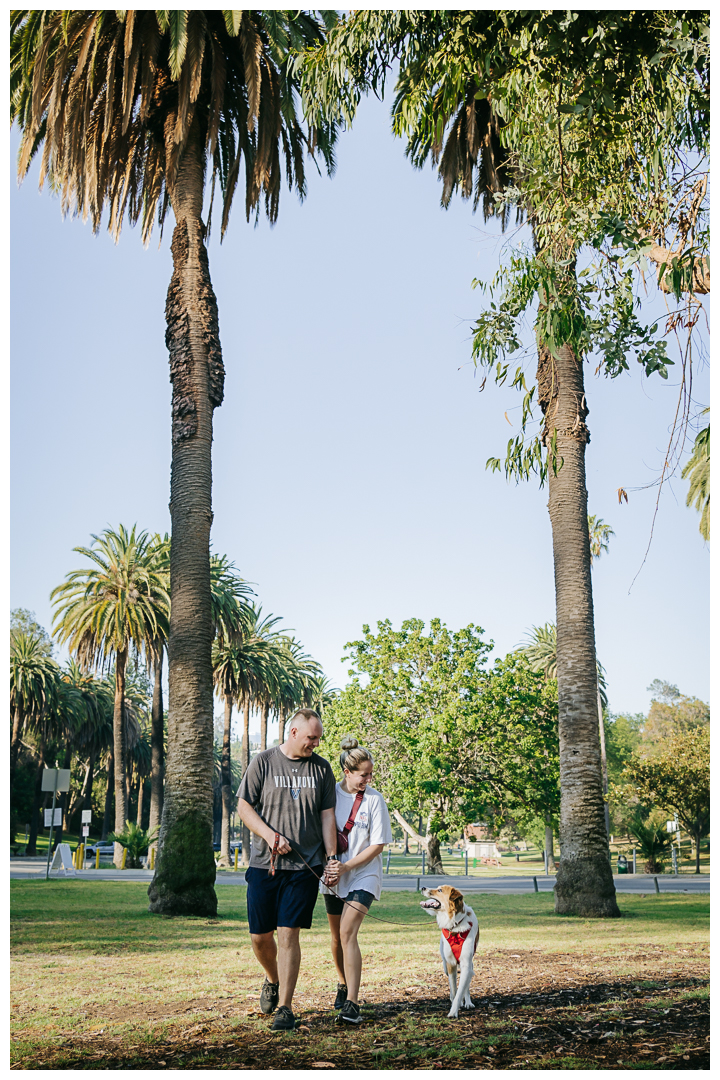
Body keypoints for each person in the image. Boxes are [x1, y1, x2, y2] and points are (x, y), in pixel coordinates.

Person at [236, 708, 337, 1032]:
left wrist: (331, 857)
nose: (315, 744)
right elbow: (243, 806)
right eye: (311, 738)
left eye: (318, 738)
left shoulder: (321, 769)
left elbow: (327, 817)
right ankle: (272, 978)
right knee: (259, 937)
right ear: (293, 732)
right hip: (265, 864)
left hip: (304, 867)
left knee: (288, 934)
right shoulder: (263, 762)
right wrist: (269, 835)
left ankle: (285, 1007)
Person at [321, 736, 392, 1025]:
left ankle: (352, 1002)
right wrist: (331, 865)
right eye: (364, 774)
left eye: (370, 774)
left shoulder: (375, 800)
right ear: (347, 772)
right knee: (336, 937)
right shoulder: (330, 796)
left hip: (364, 873)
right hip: (333, 875)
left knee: (348, 932)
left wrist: (346, 866)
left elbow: (377, 845)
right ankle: (342, 982)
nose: (369, 779)